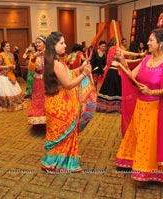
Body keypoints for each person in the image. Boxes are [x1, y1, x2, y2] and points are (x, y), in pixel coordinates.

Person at [116, 28, 163, 184]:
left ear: (160, 44)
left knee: (152, 140)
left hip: (158, 108)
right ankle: (140, 164)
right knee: (142, 139)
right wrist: (122, 61)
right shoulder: (146, 59)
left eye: (151, 40)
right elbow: (131, 76)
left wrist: (152, 91)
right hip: (141, 107)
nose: (147, 43)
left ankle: (154, 170)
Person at [41, 32, 96, 173]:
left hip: (55, 101)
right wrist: (84, 74)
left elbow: (68, 75)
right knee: (65, 132)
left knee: (59, 133)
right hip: (61, 104)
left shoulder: (53, 60)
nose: (65, 45)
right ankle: (62, 163)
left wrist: (81, 68)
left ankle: (55, 160)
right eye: (61, 43)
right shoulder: (57, 63)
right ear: (53, 45)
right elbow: (68, 84)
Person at [96, 38, 143, 113]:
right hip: (116, 70)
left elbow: (122, 59)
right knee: (117, 88)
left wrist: (134, 60)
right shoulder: (116, 49)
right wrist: (139, 54)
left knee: (110, 89)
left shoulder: (110, 51)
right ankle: (116, 106)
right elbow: (128, 54)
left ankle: (108, 106)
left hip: (111, 70)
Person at [0, 41, 26, 111]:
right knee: (6, 91)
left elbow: (14, 63)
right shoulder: (0, 55)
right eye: (7, 46)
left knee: (15, 90)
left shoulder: (11, 55)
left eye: (9, 46)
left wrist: (14, 66)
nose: (9, 47)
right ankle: (6, 105)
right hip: (3, 76)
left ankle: (16, 103)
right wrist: (7, 67)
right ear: (3, 47)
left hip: (11, 74)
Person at [27, 36, 46, 126]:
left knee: (47, 99)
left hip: (47, 80)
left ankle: (47, 118)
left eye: (39, 42)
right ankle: (37, 119)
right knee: (38, 100)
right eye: (36, 42)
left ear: (44, 43)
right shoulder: (34, 55)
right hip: (37, 81)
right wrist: (34, 58)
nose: (37, 44)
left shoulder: (49, 54)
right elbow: (31, 68)